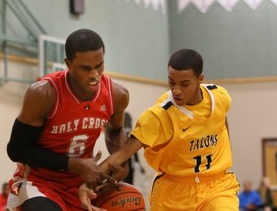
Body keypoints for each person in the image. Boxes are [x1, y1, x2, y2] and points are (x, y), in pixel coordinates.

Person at [79, 48, 240, 210]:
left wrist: (228, 149)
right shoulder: (160, 115)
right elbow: (122, 154)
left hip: (216, 187)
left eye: (184, 84)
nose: (176, 90)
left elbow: (221, 118)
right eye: (171, 82)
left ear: (200, 79)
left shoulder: (219, 96)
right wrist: (88, 183)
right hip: (174, 192)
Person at [6, 28, 129, 211]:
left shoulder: (117, 95)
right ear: (68, 64)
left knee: (131, 202)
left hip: (83, 184)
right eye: (86, 68)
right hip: (40, 183)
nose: (94, 74)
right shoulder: (44, 94)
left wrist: (122, 164)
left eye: (99, 66)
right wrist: (73, 165)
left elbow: (115, 131)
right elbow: (16, 150)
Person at [123, 112, 146, 185]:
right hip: (122, 165)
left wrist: (139, 164)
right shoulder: (119, 138)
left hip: (129, 166)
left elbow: (134, 151)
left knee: (129, 184)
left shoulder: (131, 137)